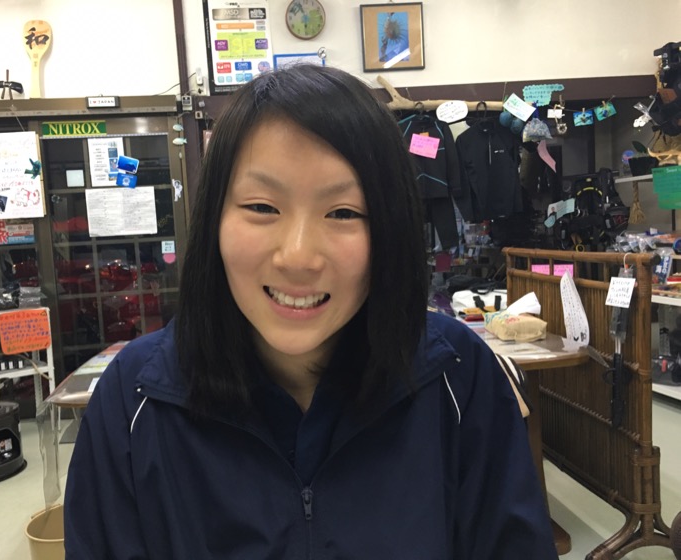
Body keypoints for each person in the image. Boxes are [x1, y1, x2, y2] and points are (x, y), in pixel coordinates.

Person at [64, 64, 558, 559]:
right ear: (215, 217)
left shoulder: (458, 378)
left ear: (389, 227)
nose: (298, 257)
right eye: (262, 207)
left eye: (343, 212)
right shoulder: (134, 400)